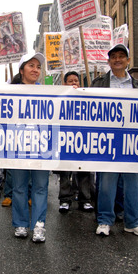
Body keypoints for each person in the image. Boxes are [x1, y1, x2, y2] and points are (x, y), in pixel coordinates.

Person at [91, 44, 138, 237]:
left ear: (128, 61)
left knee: (133, 183)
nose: (117, 59)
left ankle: (133, 222)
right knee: (106, 183)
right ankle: (105, 221)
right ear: (108, 61)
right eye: (113, 56)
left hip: (131, 143)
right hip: (107, 142)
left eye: (121, 56)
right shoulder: (98, 83)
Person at [9, 52, 49, 243]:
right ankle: (21, 224)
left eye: (38, 66)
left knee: (41, 187)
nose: (36, 70)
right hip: (17, 146)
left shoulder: (48, 91)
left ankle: (39, 225)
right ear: (22, 70)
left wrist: (73, 90)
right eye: (31, 65)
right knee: (19, 187)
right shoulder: (9, 90)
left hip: (42, 146)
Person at [58, 72, 95, 213]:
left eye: (76, 80)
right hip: (65, 141)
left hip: (82, 140)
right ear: (64, 83)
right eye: (70, 81)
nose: (73, 83)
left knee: (84, 172)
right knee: (65, 173)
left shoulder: (86, 97)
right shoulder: (59, 98)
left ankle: (85, 200)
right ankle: (65, 200)